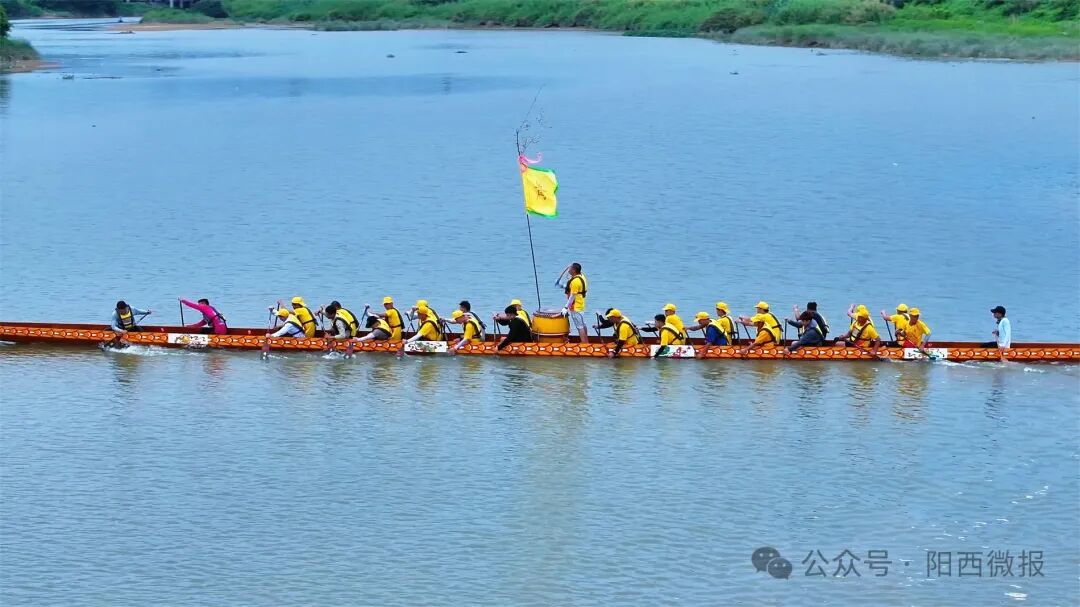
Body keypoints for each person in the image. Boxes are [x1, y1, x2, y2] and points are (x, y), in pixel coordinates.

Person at [561, 262, 589, 344]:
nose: (568, 270)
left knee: (579, 326)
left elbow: (572, 296)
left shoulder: (575, 281)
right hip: (581, 303)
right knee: (583, 324)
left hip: (575, 306)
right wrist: (562, 286)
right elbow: (575, 289)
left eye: (570, 268)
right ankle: (586, 341)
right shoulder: (581, 276)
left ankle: (584, 343)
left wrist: (566, 307)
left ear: (573, 270)